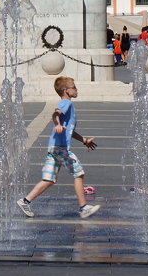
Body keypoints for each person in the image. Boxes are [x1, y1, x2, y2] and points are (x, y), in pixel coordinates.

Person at [17, 76, 100, 219]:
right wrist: (57, 124)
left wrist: (84, 140)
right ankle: (83, 207)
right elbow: (55, 113)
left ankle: (25, 201)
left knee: (49, 179)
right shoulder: (66, 103)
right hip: (61, 148)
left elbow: (70, 131)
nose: (76, 89)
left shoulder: (67, 105)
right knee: (78, 173)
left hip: (53, 148)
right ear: (66, 90)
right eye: (74, 87)